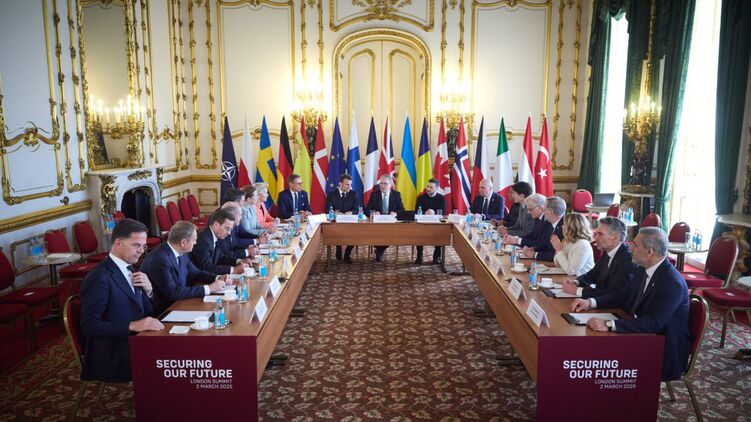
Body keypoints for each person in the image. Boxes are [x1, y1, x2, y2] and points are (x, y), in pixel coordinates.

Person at [571, 227, 691, 381]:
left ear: (650, 252)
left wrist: (609, 324)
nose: (630, 248)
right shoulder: (642, 270)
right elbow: (623, 297)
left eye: (635, 245)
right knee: (591, 349)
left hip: (662, 350)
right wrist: (591, 302)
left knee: (598, 355)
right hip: (641, 336)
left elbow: (654, 323)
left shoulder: (672, 282)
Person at [80, 218, 164, 383]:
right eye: (136, 245)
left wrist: (149, 291)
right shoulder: (99, 277)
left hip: (135, 339)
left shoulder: (129, 267)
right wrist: (132, 325)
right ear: (118, 243)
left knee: (182, 348)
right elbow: (89, 325)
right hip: (113, 350)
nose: (141, 251)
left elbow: (146, 312)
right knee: (174, 358)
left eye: (143, 246)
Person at [140, 221, 229, 314]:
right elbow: (173, 293)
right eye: (194, 240)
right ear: (183, 242)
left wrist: (217, 277)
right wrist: (209, 288)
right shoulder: (160, 259)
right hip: (164, 311)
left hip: (180, 303)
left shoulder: (181, 251)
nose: (196, 243)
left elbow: (195, 273)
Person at [561, 216, 635, 298]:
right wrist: (576, 282)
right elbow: (592, 275)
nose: (595, 238)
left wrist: (577, 291)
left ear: (615, 237)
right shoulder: (608, 252)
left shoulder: (627, 259)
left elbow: (612, 293)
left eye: (600, 234)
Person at [505, 195, 565, 262]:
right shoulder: (552, 223)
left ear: (551, 212)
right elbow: (546, 244)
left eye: (544, 209)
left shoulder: (564, 228)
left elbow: (558, 254)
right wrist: (533, 249)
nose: (543, 212)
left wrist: (534, 254)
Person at [189, 208, 248, 275]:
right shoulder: (203, 240)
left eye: (230, 229)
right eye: (227, 228)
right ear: (216, 225)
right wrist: (233, 270)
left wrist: (239, 261)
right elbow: (206, 267)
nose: (229, 233)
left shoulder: (214, 236)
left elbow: (220, 257)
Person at [366, 174, 405, 261]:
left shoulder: (396, 195)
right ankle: (380, 250)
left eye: (385, 184)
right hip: (377, 224)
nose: (382, 186)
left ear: (390, 185)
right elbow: (367, 210)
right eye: (381, 183)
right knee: (379, 233)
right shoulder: (374, 195)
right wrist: (373, 213)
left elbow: (402, 210)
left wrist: (395, 213)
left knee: (390, 234)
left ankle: (380, 250)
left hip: (391, 224)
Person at [324, 174, 359, 263]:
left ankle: (347, 254)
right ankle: (338, 246)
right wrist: (335, 213)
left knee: (356, 233)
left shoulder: (353, 194)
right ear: (340, 184)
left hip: (350, 222)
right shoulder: (331, 194)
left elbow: (356, 209)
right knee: (335, 232)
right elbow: (327, 210)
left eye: (350, 184)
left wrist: (350, 212)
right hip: (336, 222)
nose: (349, 187)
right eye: (347, 184)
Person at [414, 178, 446, 265]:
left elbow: (443, 212)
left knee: (440, 232)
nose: (428, 189)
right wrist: (425, 213)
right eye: (427, 186)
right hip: (422, 224)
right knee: (418, 231)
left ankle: (437, 256)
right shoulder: (421, 198)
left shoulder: (441, 198)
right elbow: (416, 212)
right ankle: (419, 255)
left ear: (437, 188)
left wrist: (433, 212)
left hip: (436, 225)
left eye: (431, 187)